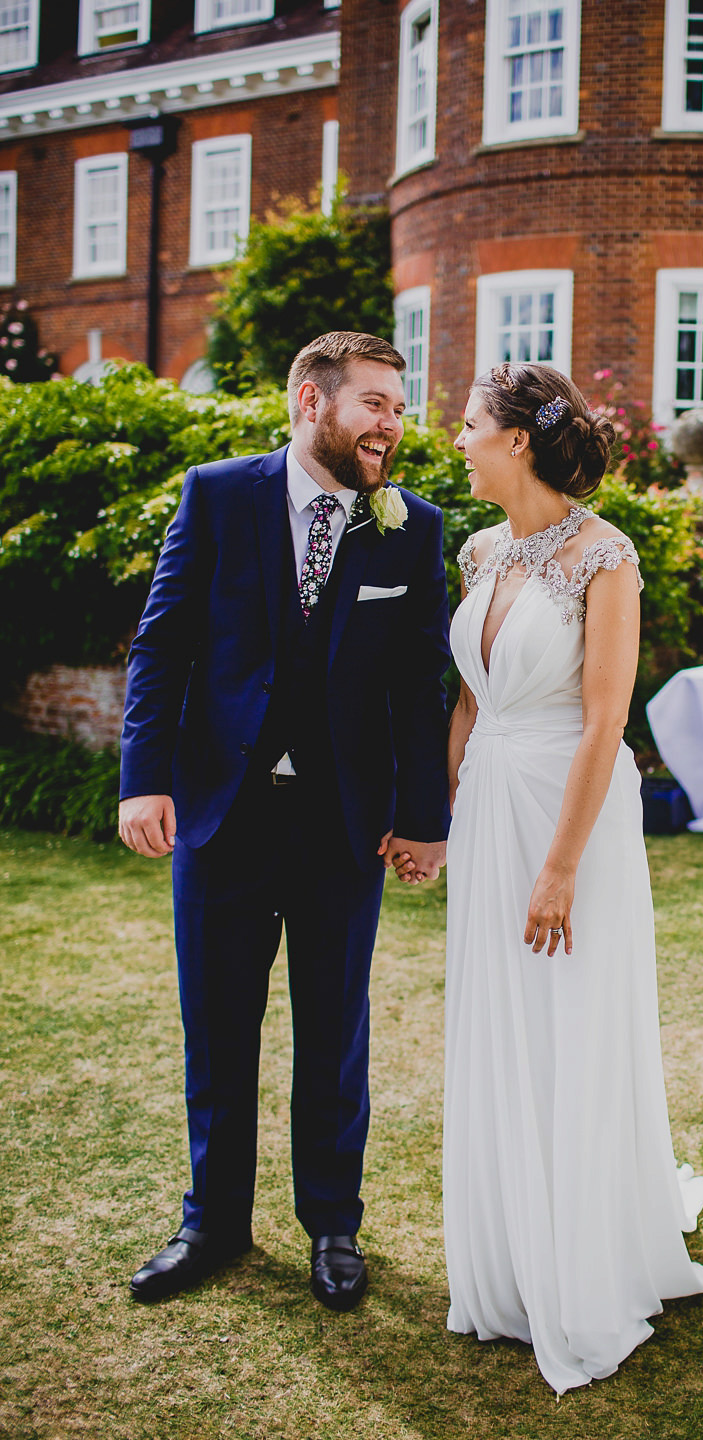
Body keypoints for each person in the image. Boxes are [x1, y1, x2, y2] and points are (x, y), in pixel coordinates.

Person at [118, 331, 451, 1310]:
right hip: (223, 817)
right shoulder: (218, 495)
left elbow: (415, 685)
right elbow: (162, 648)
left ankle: (333, 1226)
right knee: (219, 1030)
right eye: (376, 404)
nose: (395, 422)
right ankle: (212, 1224)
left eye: (400, 404)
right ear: (312, 402)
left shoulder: (410, 526)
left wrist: (424, 818)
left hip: (344, 826)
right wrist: (145, 779)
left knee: (333, 1032)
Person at [441, 361, 703, 1393]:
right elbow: (469, 698)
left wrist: (557, 867)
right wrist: (439, 811)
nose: (455, 439)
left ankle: (581, 1259)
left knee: (567, 1017)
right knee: (498, 1018)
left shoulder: (606, 556)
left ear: (516, 440)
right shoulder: (477, 550)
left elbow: (607, 719)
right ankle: (510, 1255)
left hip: (570, 812)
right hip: (485, 811)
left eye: (468, 425)